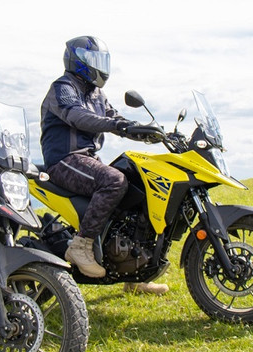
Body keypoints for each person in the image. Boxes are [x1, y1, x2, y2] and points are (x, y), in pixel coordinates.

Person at [40, 35, 168, 295]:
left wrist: (144, 130)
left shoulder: (97, 94)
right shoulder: (63, 87)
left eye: (101, 60)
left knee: (138, 184)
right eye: (93, 60)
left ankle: (134, 273)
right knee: (114, 180)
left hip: (88, 159)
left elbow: (114, 117)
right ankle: (81, 245)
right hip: (65, 160)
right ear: (77, 60)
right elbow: (77, 116)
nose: (99, 66)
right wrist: (119, 126)